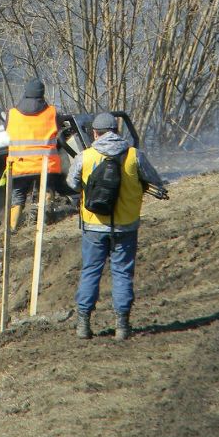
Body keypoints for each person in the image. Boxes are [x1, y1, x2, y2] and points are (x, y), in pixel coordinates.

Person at [66, 112, 167, 342]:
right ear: (117, 131)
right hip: (126, 226)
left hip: (93, 225)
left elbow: (72, 184)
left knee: (91, 271)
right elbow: (156, 180)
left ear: (95, 133)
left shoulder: (86, 156)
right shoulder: (134, 155)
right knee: (122, 272)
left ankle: (83, 324)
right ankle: (122, 325)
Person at [4, 78, 61, 231]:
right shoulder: (52, 112)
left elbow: (7, 131)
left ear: (25, 93)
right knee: (47, 190)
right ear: (42, 94)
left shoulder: (12, 114)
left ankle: (12, 227)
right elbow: (59, 129)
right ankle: (45, 223)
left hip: (20, 164)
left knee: (18, 196)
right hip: (46, 164)